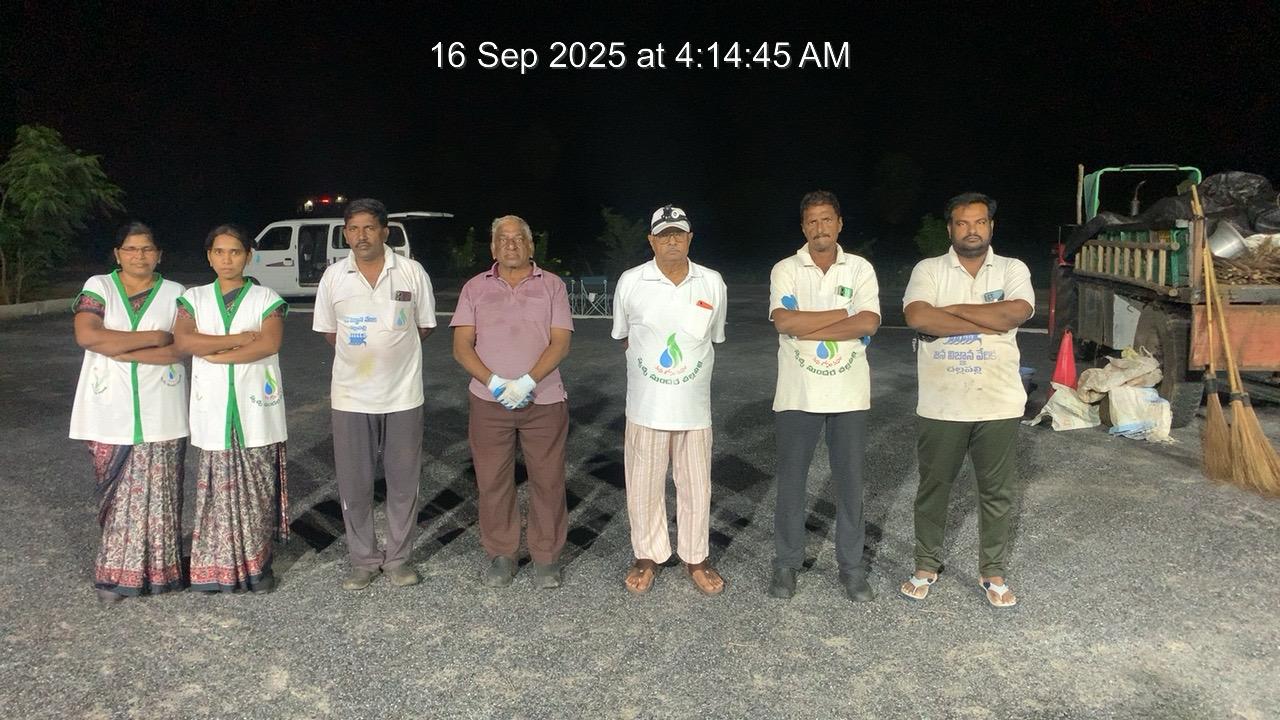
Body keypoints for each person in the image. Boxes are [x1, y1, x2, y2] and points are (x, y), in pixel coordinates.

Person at [900, 192, 1034, 608]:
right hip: (942, 404)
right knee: (934, 488)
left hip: (998, 402)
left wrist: (953, 311)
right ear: (950, 229)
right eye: (962, 223)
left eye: (979, 222)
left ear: (991, 226)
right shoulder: (929, 269)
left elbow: (1015, 313)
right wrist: (987, 319)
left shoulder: (1012, 268)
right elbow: (918, 316)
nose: (971, 230)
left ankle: (992, 572)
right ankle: (926, 565)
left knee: (996, 492)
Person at [313, 198, 437, 590]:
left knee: (403, 483)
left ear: (385, 231)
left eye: (369, 227)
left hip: (403, 395)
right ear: (345, 233)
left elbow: (424, 326)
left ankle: (398, 559)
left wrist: (389, 352)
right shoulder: (334, 277)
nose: (361, 236)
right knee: (355, 485)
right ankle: (363, 560)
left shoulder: (412, 272)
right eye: (353, 229)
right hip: (351, 397)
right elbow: (331, 333)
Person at [767, 190, 881, 603]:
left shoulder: (860, 268)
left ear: (839, 223)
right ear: (803, 227)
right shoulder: (786, 269)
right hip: (797, 393)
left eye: (827, 219)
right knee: (791, 483)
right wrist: (842, 315)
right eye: (812, 221)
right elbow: (784, 322)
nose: (820, 228)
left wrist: (808, 325)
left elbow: (869, 322)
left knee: (850, 484)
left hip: (849, 394)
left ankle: (851, 568)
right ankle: (786, 563)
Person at [451, 215, 573, 589]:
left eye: (518, 238)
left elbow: (560, 342)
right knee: (492, 480)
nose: (510, 244)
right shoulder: (475, 288)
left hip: (543, 399)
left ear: (530, 245)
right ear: (493, 248)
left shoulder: (552, 286)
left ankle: (546, 556)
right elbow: (461, 346)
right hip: (489, 402)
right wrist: (494, 382)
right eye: (503, 239)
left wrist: (528, 381)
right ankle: (502, 554)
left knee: (548, 480)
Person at [70, 222, 189, 604]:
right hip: (108, 410)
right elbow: (87, 335)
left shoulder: (176, 294)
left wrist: (118, 348)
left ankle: (159, 573)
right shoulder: (99, 287)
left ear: (159, 255)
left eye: (147, 249)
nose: (139, 256)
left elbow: (179, 349)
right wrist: (153, 338)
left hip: (162, 410)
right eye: (131, 249)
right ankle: (113, 577)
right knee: (117, 498)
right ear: (117, 254)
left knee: (161, 497)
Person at [611, 205, 728, 596]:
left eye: (679, 233)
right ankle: (647, 557)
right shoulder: (632, 281)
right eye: (663, 235)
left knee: (696, 487)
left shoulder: (711, 282)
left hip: (694, 409)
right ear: (651, 240)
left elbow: (713, 339)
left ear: (690, 238)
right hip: (646, 407)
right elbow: (625, 337)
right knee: (643, 487)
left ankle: (696, 558)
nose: (672, 240)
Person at [174, 224, 289, 594]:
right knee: (216, 494)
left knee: (256, 492)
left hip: (256, 409)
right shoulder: (194, 298)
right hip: (213, 409)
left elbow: (268, 344)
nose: (227, 259)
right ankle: (216, 569)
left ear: (248, 256)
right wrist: (237, 340)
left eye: (235, 252)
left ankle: (257, 568)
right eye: (219, 252)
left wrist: (216, 354)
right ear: (209, 257)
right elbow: (184, 341)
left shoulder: (266, 298)